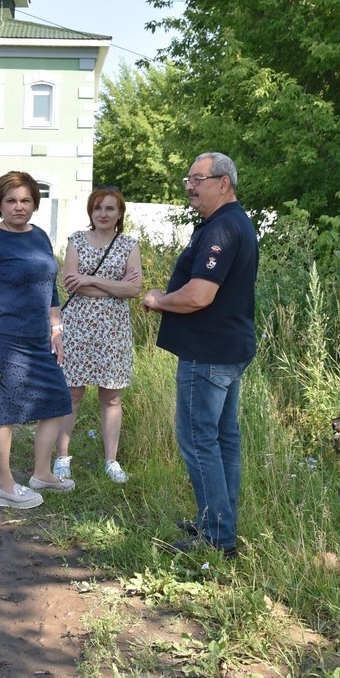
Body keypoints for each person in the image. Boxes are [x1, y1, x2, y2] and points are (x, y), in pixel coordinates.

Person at [142, 152, 259, 559]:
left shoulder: (223, 229)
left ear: (223, 182)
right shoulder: (230, 223)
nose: (190, 186)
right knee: (224, 440)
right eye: (187, 179)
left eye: (197, 178)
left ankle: (216, 537)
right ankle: (219, 521)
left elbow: (198, 296)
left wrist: (158, 300)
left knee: (199, 441)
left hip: (208, 352)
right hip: (228, 348)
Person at [0, 171, 72, 509]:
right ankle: (5, 485)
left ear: (34, 204)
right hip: (5, 340)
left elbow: (50, 287)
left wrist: (56, 330)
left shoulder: (39, 236)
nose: (18, 207)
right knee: (5, 413)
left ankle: (42, 474)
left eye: (25, 200)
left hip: (40, 339)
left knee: (57, 401)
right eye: (11, 200)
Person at [54, 186, 142, 484]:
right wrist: (112, 285)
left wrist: (90, 278)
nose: (103, 214)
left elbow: (133, 289)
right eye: (98, 208)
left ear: (120, 213)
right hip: (78, 326)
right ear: (91, 211)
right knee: (72, 393)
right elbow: (70, 284)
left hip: (113, 329)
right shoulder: (76, 240)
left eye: (110, 209)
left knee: (112, 396)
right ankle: (62, 458)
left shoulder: (129, 244)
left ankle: (111, 461)